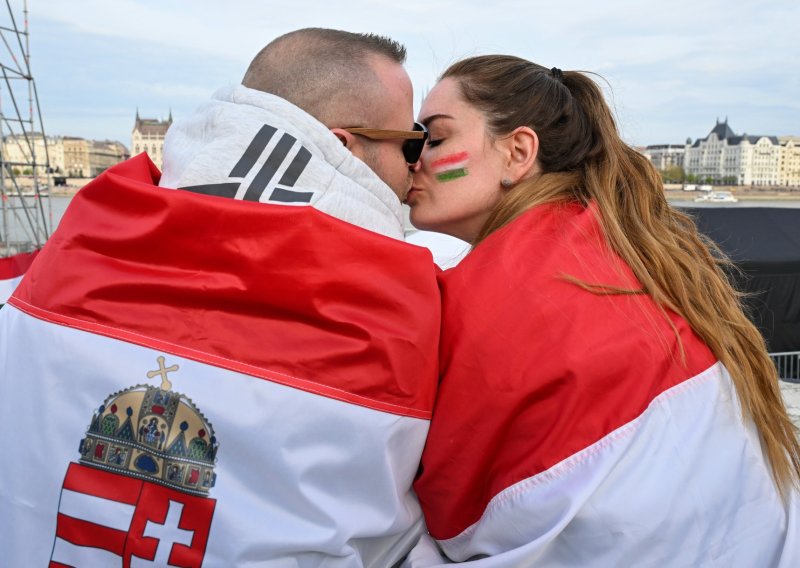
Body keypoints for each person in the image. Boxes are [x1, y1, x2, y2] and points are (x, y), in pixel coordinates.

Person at [0, 29, 440, 567]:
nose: (417, 164)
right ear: (342, 144)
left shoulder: (58, 259)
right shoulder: (412, 307)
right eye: (411, 143)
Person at [406, 55, 800, 566]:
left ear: (519, 152)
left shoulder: (513, 289)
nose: (414, 157)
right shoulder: (620, 249)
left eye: (434, 139)